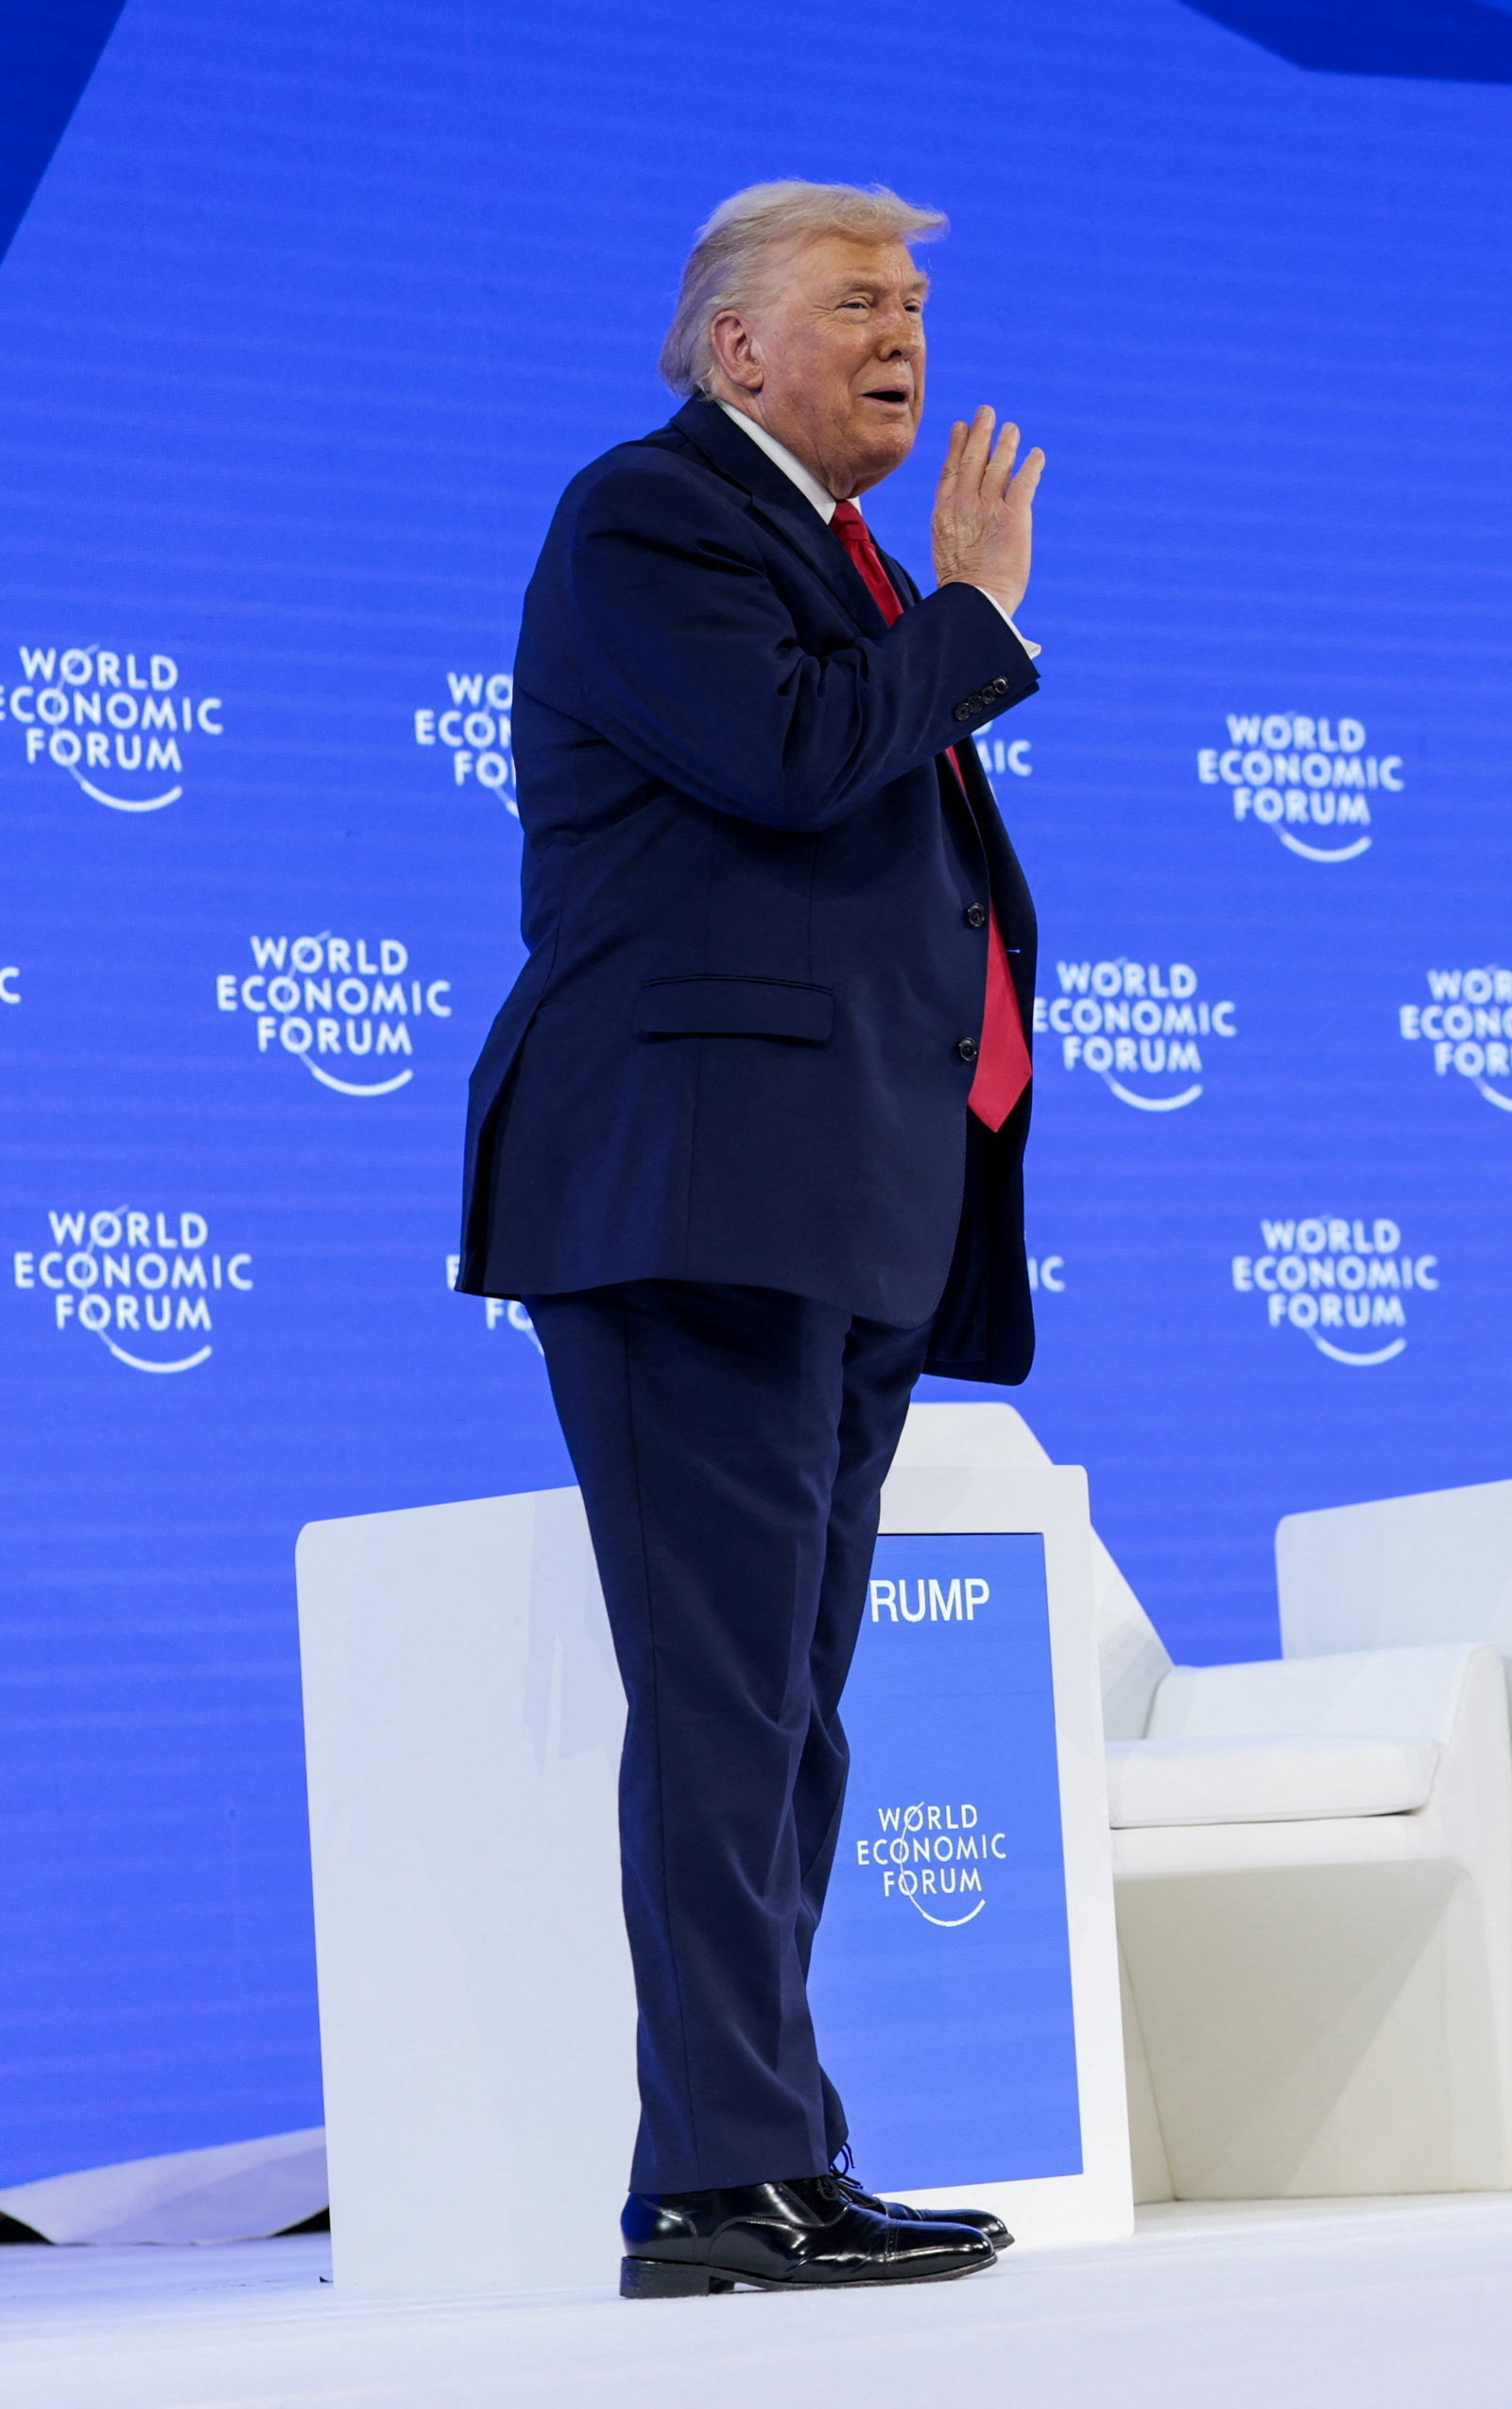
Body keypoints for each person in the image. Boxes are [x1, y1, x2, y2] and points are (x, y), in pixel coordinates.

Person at [453, 181, 1047, 2295]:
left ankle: (770, 2144)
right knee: (727, 1704)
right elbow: (796, 759)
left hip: (836, 1203)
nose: (902, 338)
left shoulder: (838, 556)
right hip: (692, 1193)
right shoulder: (651, 517)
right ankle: (717, 2178)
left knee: (788, 1708)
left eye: (916, 306)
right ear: (736, 349)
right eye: (857, 302)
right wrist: (971, 615)